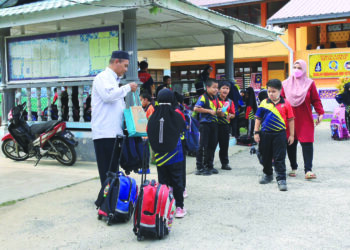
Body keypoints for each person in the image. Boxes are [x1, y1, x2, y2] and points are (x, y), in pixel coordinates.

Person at [91, 50, 138, 186]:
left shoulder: (113, 80)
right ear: (116, 62)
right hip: (104, 133)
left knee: (113, 170)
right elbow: (108, 96)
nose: (126, 69)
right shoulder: (102, 77)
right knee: (107, 171)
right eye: (125, 65)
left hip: (114, 133)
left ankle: (112, 199)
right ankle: (106, 202)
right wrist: (127, 87)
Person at [281, 59, 324, 179]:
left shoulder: (310, 83)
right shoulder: (285, 84)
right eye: (295, 67)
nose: (297, 70)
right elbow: (281, 100)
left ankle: (308, 170)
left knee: (307, 143)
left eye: (299, 68)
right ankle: (293, 167)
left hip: (305, 118)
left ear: (304, 69)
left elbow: (316, 99)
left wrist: (320, 113)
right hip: (289, 119)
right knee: (291, 143)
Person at [147, 89, 187, 218]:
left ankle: (164, 207)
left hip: (160, 156)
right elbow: (183, 129)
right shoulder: (176, 115)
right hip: (176, 155)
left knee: (163, 181)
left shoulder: (153, 115)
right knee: (177, 181)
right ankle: (179, 207)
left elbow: (149, 131)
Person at [254, 79, 295, 191]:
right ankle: (268, 174)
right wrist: (256, 132)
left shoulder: (286, 103)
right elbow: (258, 119)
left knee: (279, 157)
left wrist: (291, 135)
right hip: (265, 134)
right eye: (269, 91)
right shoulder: (263, 103)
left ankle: (281, 179)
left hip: (280, 134)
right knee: (265, 156)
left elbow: (291, 120)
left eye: (274, 91)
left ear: (280, 91)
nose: (271, 94)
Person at [194, 78, 222, 176]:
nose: (216, 90)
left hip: (214, 124)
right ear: (207, 87)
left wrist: (219, 111)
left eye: (217, 88)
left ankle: (209, 165)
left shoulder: (216, 98)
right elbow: (196, 108)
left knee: (212, 145)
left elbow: (216, 111)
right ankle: (200, 168)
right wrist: (209, 111)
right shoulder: (203, 97)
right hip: (205, 124)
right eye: (214, 87)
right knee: (202, 146)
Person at [214, 81, 235, 170]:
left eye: (227, 88)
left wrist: (231, 116)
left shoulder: (230, 101)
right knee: (212, 146)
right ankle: (209, 164)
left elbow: (233, 114)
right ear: (219, 90)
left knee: (224, 146)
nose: (225, 90)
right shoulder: (214, 100)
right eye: (223, 88)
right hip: (215, 125)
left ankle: (225, 163)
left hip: (225, 126)